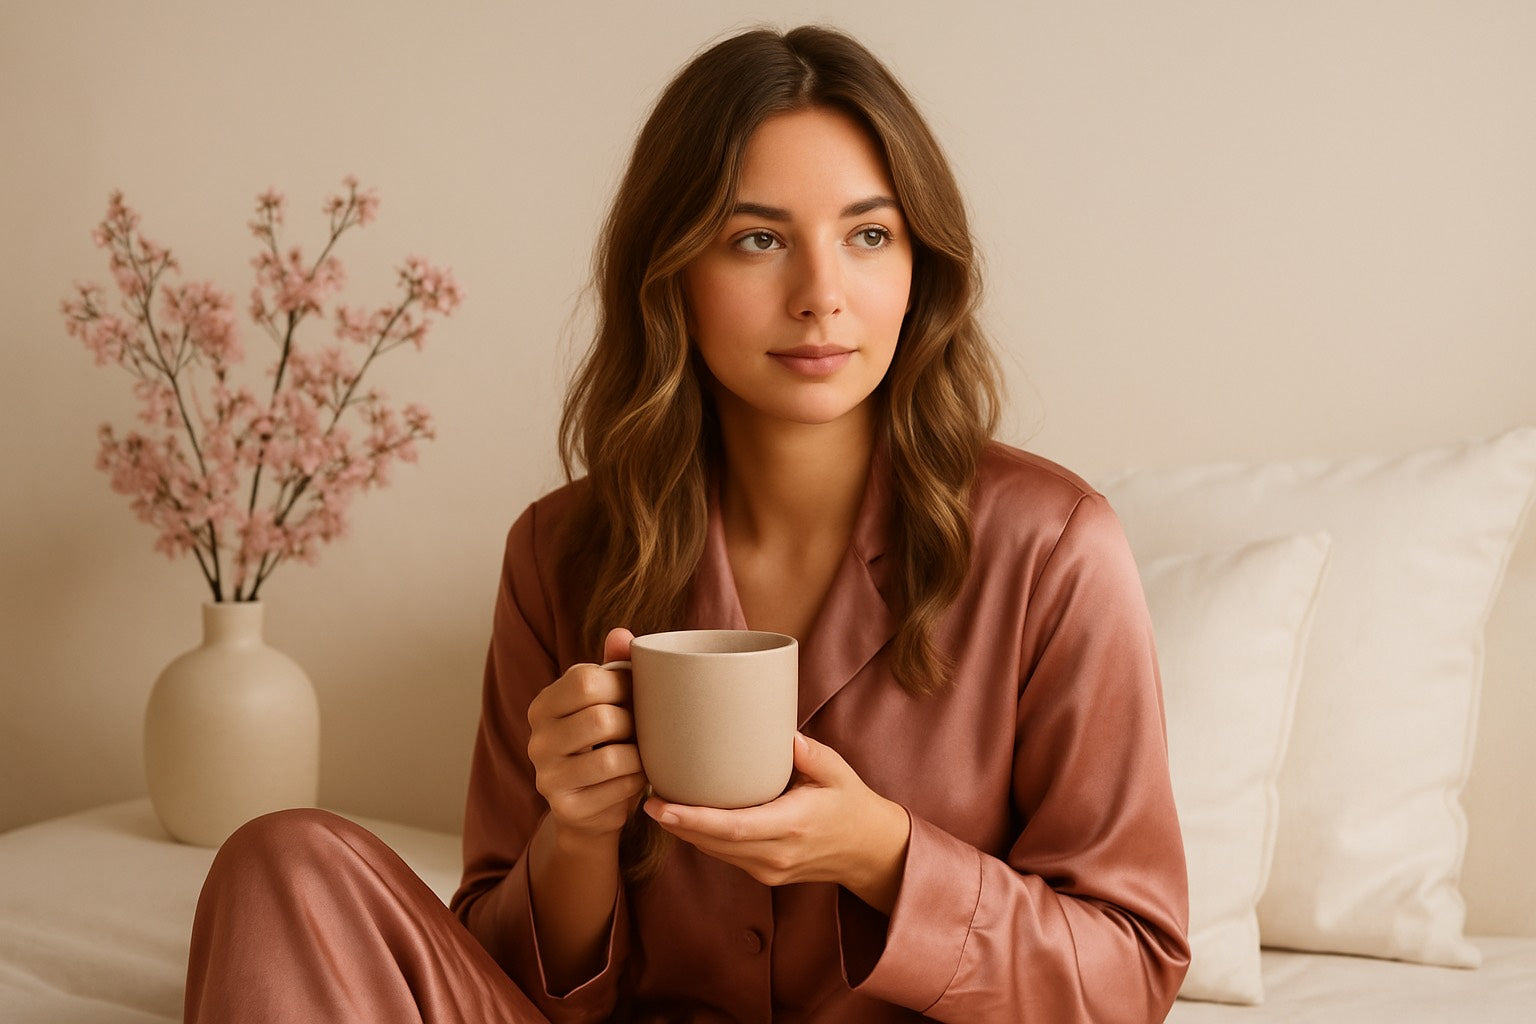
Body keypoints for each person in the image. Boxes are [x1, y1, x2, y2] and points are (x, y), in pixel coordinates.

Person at [184, 25, 1189, 1024]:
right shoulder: (559, 551)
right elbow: (491, 979)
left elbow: (1129, 974)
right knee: (283, 861)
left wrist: (881, 856)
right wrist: (575, 835)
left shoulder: (1052, 550)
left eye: (868, 235)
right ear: (673, 273)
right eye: (758, 239)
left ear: (921, 264)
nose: (820, 296)